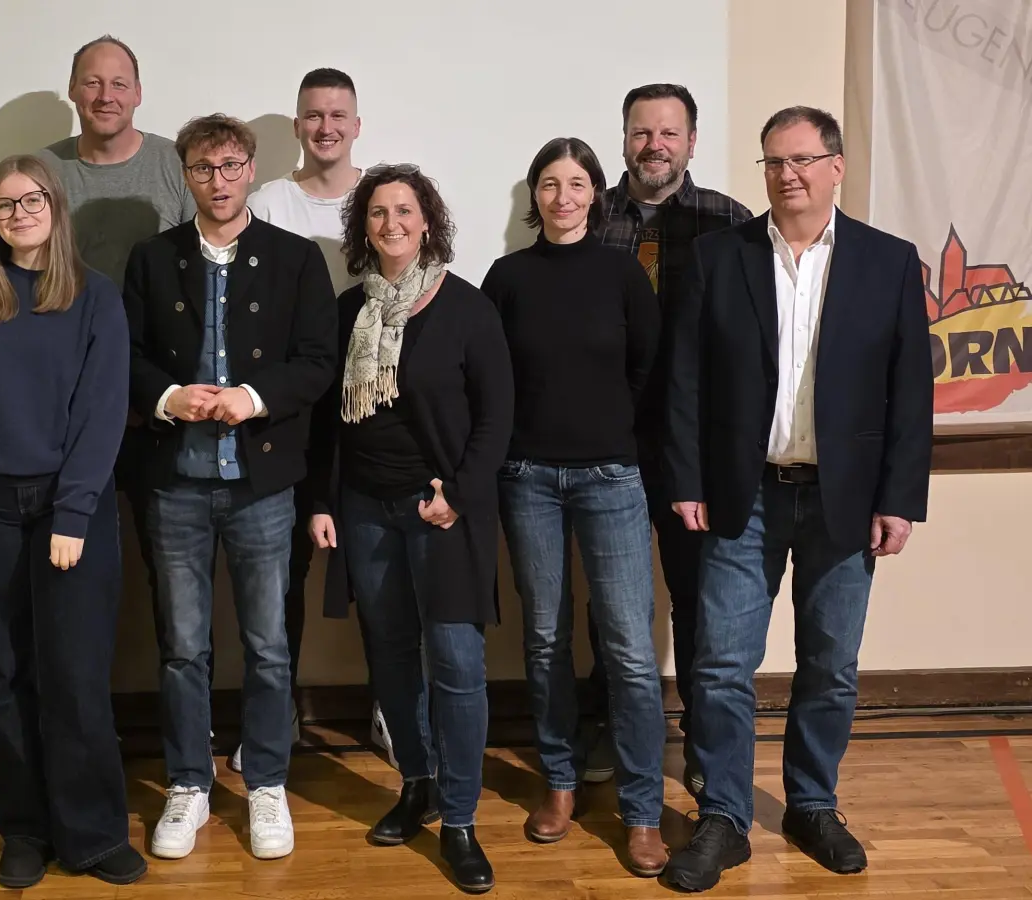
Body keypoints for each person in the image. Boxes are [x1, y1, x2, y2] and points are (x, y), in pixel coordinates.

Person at [661, 107, 932, 893]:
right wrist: (685, 482)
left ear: (837, 167)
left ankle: (812, 803)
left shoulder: (888, 262)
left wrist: (901, 499)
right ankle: (725, 818)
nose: (788, 175)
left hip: (844, 501)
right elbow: (686, 381)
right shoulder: (720, 257)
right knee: (718, 665)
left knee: (832, 666)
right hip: (739, 498)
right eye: (774, 162)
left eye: (803, 160)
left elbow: (909, 394)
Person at [0, 154, 144, 889]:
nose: (19, 215)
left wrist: (73, 511)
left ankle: (93, 833)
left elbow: (102, 414)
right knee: (7, 676)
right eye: (5, 205)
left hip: (68, 509)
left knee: (74, 677)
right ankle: (24, 828)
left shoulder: (95, 298)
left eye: (32, 200)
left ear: (56, 206)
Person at [123, 114, 336, 862]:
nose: (219, 180)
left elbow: (317, 360)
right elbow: (129, 355)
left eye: (232, 164)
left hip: (263, 482)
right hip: (175, 481)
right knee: (182, 648)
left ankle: (268, 781)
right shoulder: (151, 259)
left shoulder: (296, 258)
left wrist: (250, 397)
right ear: (186, 174)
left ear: (252, 169)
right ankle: (188, 783)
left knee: (269, 645)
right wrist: (169, 396)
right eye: (204, 168)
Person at [308, 163, 512, 894]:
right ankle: (418, 784)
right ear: (362, 227)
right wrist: (325, 501)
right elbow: (330, 425)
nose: (391, 223)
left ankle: (458, 820)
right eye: (377, 212)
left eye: (404, 210)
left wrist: (457, 495)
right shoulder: (344, 312)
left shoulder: (466, 308)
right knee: (391, 656)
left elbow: (496, 418)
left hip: (443, 513)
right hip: (366, 510)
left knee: (455, 665)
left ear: (428, 220)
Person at [480, 138, 667, 877]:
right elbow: (489, 381)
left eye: (578, 183)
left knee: (626, 646)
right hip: (527, 477)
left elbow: (647, 373)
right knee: (548, 638)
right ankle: (559, 783)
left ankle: (643, 811)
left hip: (613, 479)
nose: (564, 196)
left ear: (596, 193)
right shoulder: (507, 277)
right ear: (536, 195)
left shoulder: (625, 273)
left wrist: (631, 457)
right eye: (550, 184)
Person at [580, 83, 754, 795]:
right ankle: (608, 726)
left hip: (697, 447)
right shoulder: (586, 216)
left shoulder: (730, 222)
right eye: (641, 132)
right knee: (612, 598)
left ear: (691, 140)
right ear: (623, 138)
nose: (654, 145)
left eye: (669, 133)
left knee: (697, 592)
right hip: (607, 440)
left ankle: (701, 735)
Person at [245, 66, 394, 773]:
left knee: (380, 569)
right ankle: (271, 724)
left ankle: (391, 710)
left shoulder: (384, 200)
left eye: (339, 115)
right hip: (294, 411)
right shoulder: (269, 202)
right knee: (282, 576)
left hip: (375, 414)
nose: (326, 126)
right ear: (298, 123)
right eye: (313, 115)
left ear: (357, 124)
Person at [38, 35, 197, 634]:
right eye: (92, 82)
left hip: (162, 401)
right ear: (73, 91)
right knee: (73, 560)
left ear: (139, 93)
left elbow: (202, 273)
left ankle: (184, 722)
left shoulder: (174, 165)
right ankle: (81, 719)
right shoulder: (43, 171)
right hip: (68, 404)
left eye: (119, 83)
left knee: (172, 566)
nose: (106, 96)